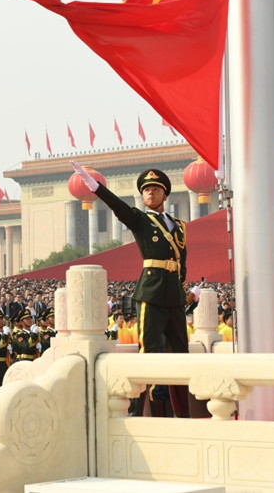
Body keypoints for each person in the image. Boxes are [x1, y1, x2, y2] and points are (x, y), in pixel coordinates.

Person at [72, 162, 191, 418]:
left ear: (165, 194)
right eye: (146, 190)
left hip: (174, 295)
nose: (150, 193)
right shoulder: (140, 219)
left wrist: (184, 289)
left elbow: (182, 261)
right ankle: (146, 412)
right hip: (151, 292)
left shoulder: (179, 226)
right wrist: (95, 187)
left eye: (155, 189)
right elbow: (118, 206)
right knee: (149, 351)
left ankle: (183, 414)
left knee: (181, 354)